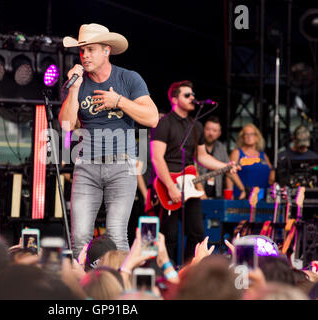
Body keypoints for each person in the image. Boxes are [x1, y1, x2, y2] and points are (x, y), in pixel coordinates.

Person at [59, 23, 159, 259]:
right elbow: (66, 126)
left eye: (91, 50)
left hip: (121, 165)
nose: (84, 56)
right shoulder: (76, 83)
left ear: (107, 50)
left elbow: (153, 118)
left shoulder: (128, 79)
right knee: (80, 236)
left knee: (116, 233)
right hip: (86, 166)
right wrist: (74, 90)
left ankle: (120, 290)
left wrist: (119, 101)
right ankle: (81, 290)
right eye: (82, 51)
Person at [151, 80, 239, 265]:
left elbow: (202, 157)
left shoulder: (196, 126)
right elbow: (157, 158)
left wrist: (225, 165)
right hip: (168, 185)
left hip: (190, 186)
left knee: (197, 232)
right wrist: (170, 187)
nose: (193, 98)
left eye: (193, 94)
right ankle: (167, 271)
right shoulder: (163, 123)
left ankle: (189, 269)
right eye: (187, 95)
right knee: (170, 235)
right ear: (174, 99)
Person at [198, 116, 246, 199]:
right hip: (197, 194)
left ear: (219, 133)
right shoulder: (197, 147)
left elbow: (228, 169)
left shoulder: (221, 148)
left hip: (216, 194)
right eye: (208, 129)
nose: (211, 133)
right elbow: (193, 172)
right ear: (203, 130)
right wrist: (201, 192)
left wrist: (242, 189)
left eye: (214, 130)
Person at [229, 123, 275, 199]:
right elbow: (230, 173)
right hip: (243, 195)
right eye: (246, 134)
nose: (249, 137)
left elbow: (272, 175)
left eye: (252, 134)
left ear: (257, 137)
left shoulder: (263, 155)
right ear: (242, 137)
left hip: (263, 196)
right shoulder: (237, 153)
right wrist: (232, 193)